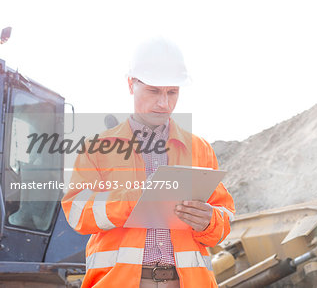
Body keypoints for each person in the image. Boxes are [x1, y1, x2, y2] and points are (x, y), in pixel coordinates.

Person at [61, 37, 235, 288]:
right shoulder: (97, 148)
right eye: (154, 91)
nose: (164, 103)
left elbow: (224, 216)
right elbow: (77, 213)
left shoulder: (199, 148)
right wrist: (135, 198)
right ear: (132, 85)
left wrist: (209, 220)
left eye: (172, 92)